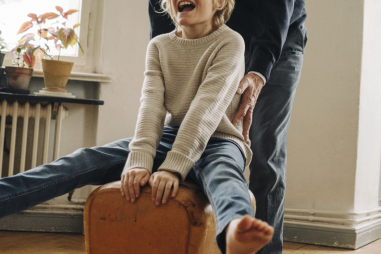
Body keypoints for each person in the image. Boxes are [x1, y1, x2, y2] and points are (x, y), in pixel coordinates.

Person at [0, 0, 274, 253]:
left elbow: (206, 108)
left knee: (224, 174)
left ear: (219, 3)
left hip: (220, 140)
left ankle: (235, 231)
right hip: (171, 136)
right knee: (84, 159)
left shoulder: (230, 41)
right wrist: (140, 160)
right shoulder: (159, 46)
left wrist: (172, 167)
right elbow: (151, 105)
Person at [149, 0, 307, 253]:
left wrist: (258, 71)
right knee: (189, 137)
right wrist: (166, 58)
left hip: (275, 37)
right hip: (209, 34)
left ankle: (263, 249)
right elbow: (161, 9)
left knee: (266, 154)